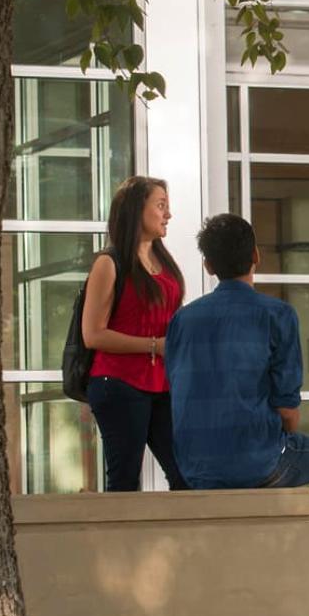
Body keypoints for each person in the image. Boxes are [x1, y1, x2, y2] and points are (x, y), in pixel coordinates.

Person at [164, 213, 309, 490]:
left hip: (194, 469)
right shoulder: (277, 314)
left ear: (207, 265)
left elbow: (178, 389)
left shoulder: (181, 320)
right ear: (256, 255)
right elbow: (288, 408)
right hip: (260, 463)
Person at [81, 176, 188, 491]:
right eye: (160, 205)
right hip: (118, 383)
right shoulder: (108, 263)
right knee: (125, 481)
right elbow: (93, 334)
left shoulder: (163, 263)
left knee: (186, 476)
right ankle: (116, 541)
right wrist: (155, 345)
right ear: (135, 210)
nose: (168, 214)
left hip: (163, 384)